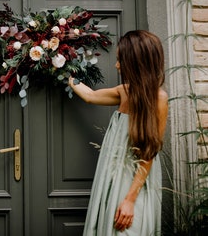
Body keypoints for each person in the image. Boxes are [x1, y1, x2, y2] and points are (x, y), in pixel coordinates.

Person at [69, 30, 168, 235]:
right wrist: (63, 70)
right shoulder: (124, 91)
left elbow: (149, 155)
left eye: (120, 60)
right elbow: (90, 96)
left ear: (136, 62)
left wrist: (130, 200)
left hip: (135, 181)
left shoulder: (158, 99)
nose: (116, 65)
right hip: (112, 176)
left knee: (127, 227)